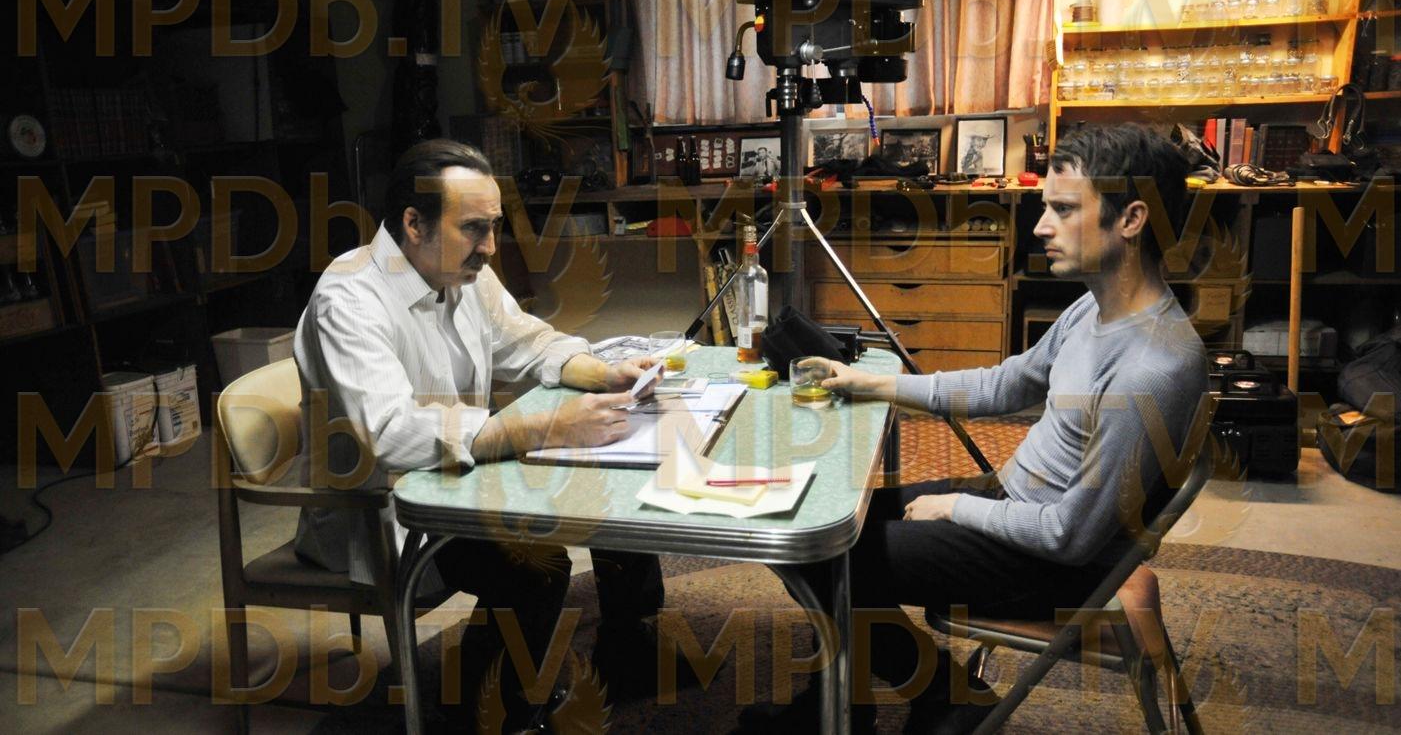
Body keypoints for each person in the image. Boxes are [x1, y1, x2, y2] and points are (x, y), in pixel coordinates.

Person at [737, 124, 1209, 734]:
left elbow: (1070, 537)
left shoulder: (1151, 368)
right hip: (1013, 504)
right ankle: (852, 703)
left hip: (1052, 563)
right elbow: (1006, 385)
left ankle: (944, 694)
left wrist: (956, 506)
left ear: (1132, 219)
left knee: (821, 555)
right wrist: (870, 383)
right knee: (814, 520)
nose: (1040, 227)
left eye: (1064, 210)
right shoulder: (1097, 306)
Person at [292, 139, 679, 728]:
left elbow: (528, 341)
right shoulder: (348, 299)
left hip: (457, 477)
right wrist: (547, 427)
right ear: (414, 224)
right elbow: (392, 434)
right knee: (537, 565)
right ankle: (482, 713)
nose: (491, 246)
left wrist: (603, 372)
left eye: (494, 226)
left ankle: (628, 652)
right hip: (381, 509)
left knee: (614, 487)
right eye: (475, 227)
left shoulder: (461, 269)